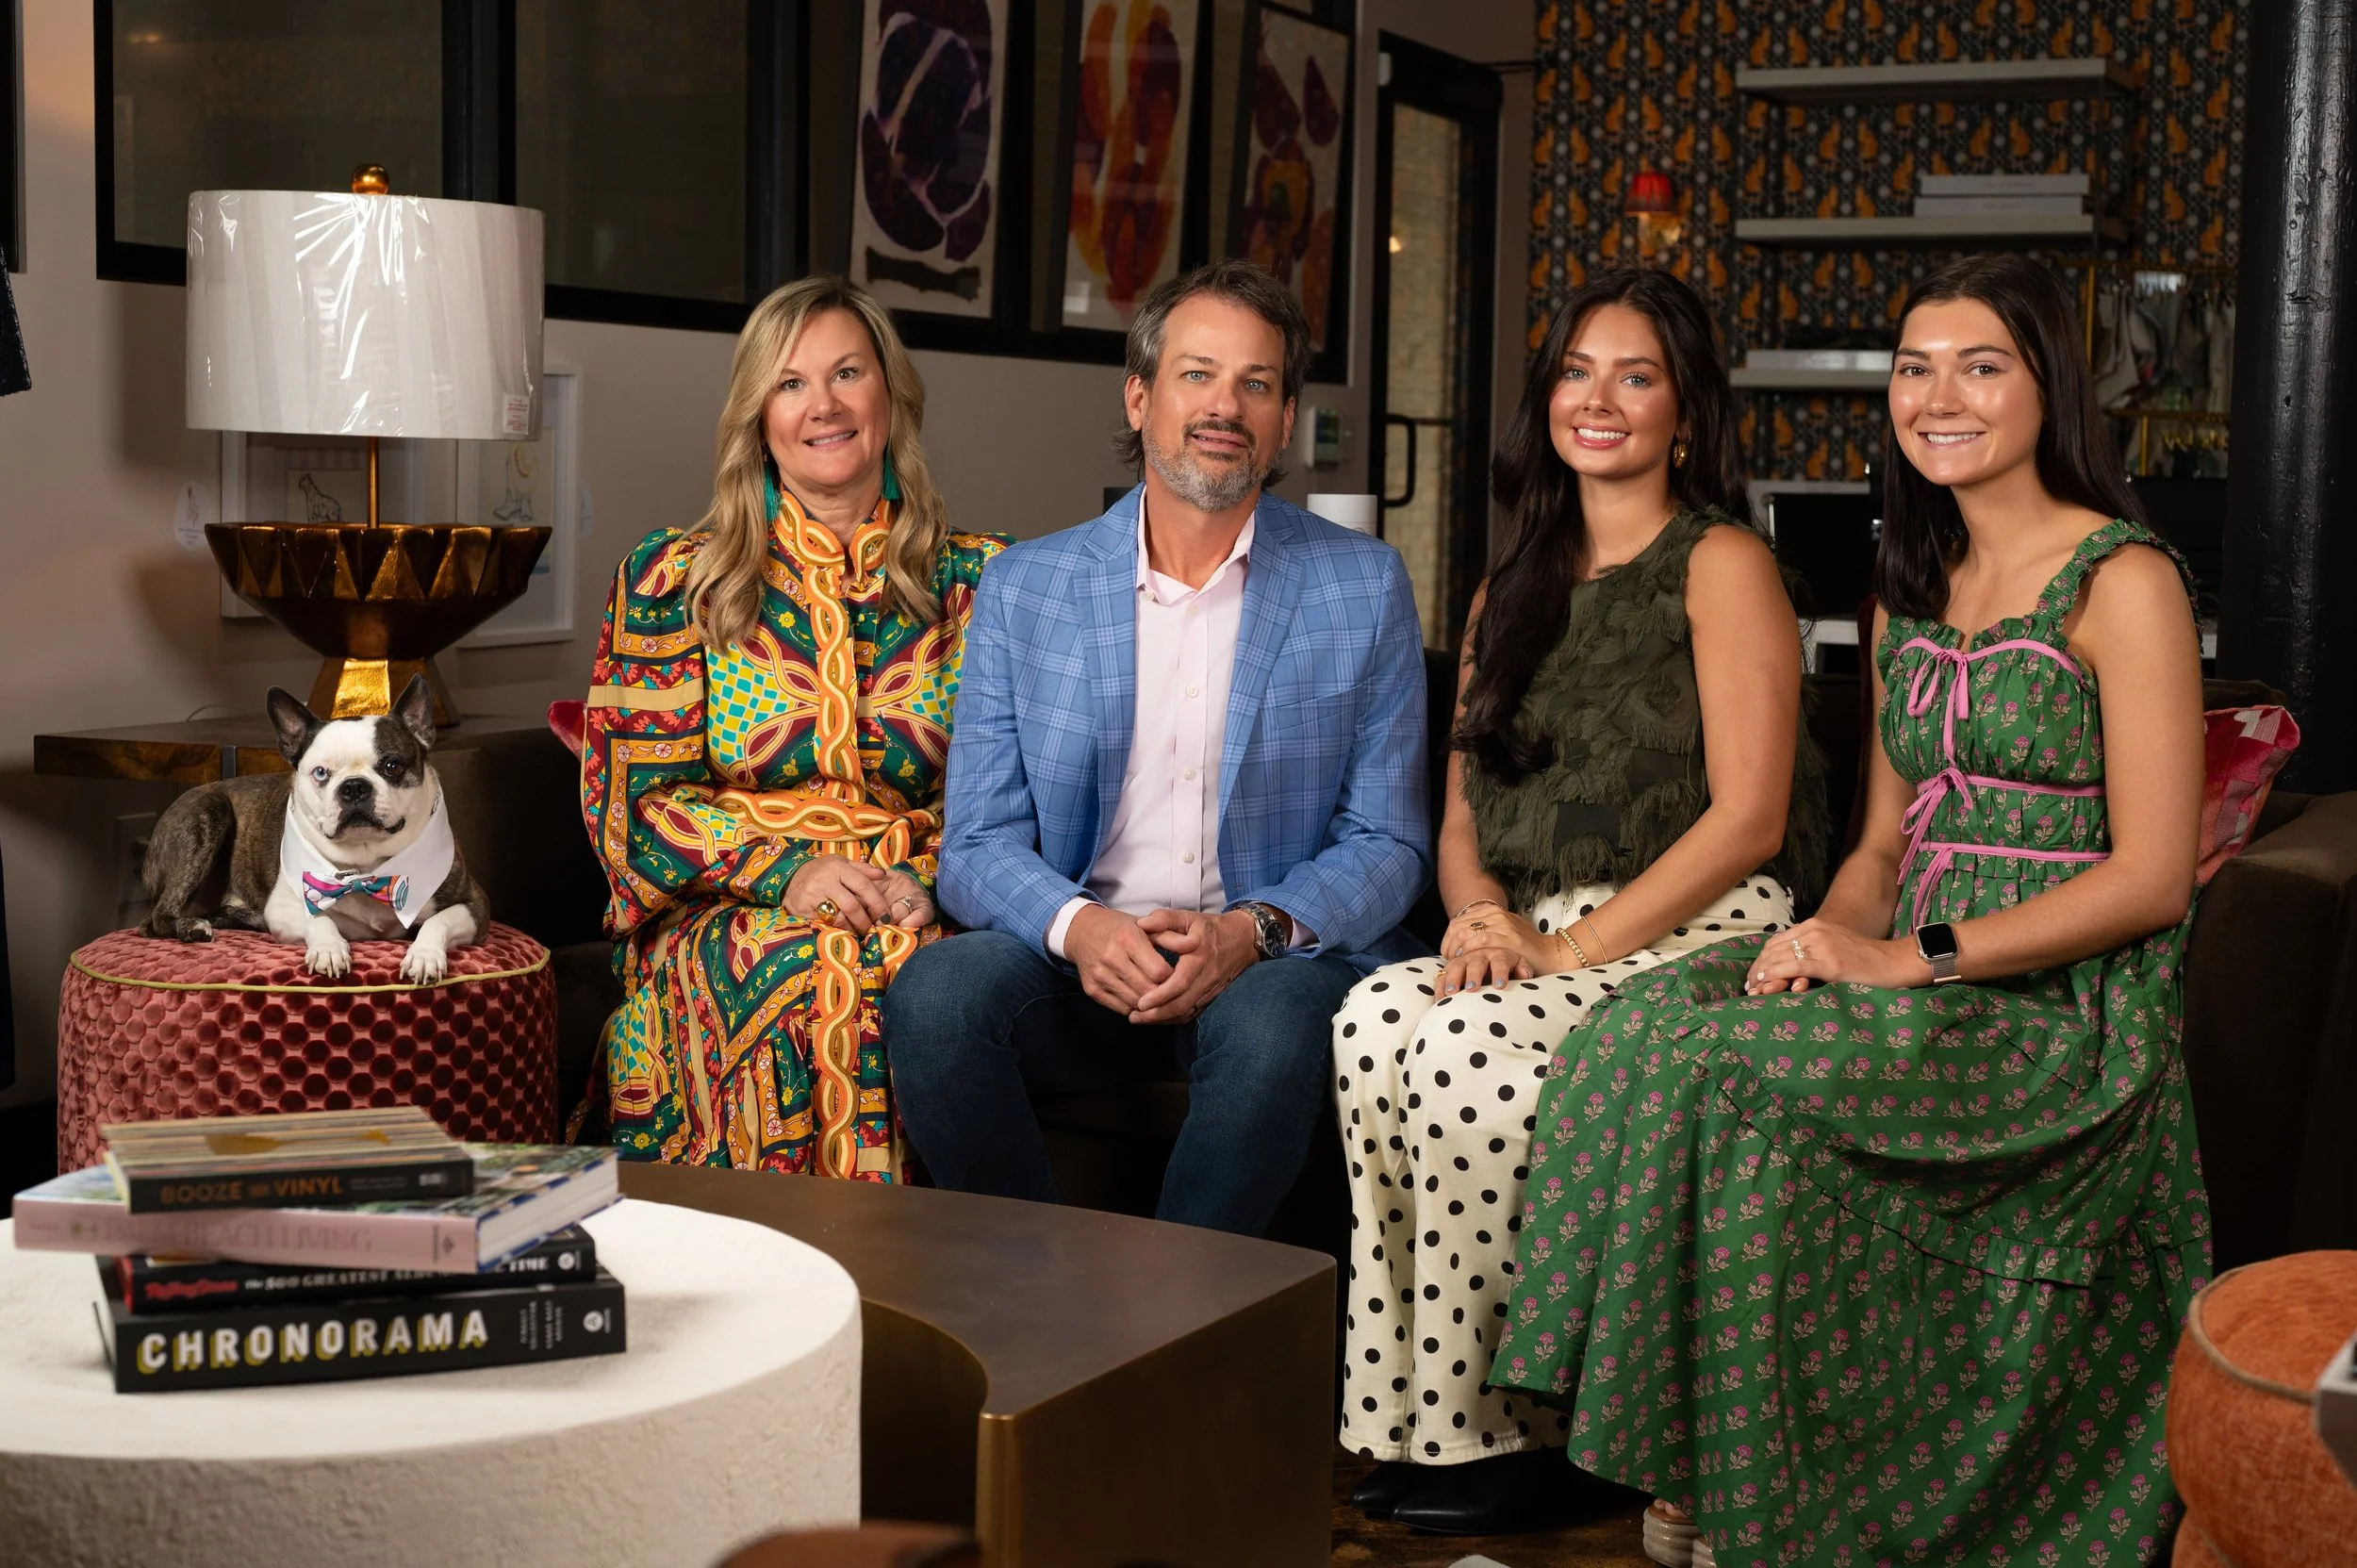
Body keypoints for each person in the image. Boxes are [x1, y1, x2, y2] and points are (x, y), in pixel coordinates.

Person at [1490, 254, 2211, 1568]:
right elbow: (1881, 843)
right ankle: (1691, 1449)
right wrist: (1813, 944)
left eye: (1980, 365)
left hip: (2058, 1009)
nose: (1939, 395)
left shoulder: (2126, 581)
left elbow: (2154, 876)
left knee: (1745, 1082)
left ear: (2051, 386)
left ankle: (1764, 1489)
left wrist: (1904, 959)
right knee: (1635, 1035)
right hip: (1904, 952)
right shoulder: (1908, 588)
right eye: (1914, 366)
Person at [1333, 268, 1829, 1535]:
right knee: (1373, 1021)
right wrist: (1480, 916)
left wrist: (1562, 947)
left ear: (1686, 411)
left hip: (1700, 919)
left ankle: (1541, 1430)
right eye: (1575, 370)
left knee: (1465, 1044)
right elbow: (1460, 813)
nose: (1597, 398)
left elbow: (1750, 817)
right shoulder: (1513, 584)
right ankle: (1419, 1421)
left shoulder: (1720, 564)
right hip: (1537, 923)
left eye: (1636, 373)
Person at [882, 258, 1430, 1236]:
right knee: (936, 998)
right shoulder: (1027, 587)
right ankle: (1039, 1306)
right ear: (1139, 398)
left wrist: (1250, 932)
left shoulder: (1363, 584)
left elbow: (1389, 839)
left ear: (1284, 420)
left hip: (1265, 964)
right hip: (1081, 963)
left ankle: (1161, 1325)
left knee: (1273, 1029)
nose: (1225, 405)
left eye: (1255, 384)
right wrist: (1080, 929)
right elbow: (973, 842)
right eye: (1197, 374)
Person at [578, 275, 1007, 1179]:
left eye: (848, 372)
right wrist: (792, 871)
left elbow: (1020, 796)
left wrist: (921, 879)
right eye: (791, 383)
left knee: (920, 982)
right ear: (757, 415)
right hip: (728, 900)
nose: (825, 405)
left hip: (920, 894)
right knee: (798, 973)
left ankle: (938, 1294)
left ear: (890, 397)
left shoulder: (986, 584)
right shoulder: (675, 580)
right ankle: (775, 1285)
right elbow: (635, 806)